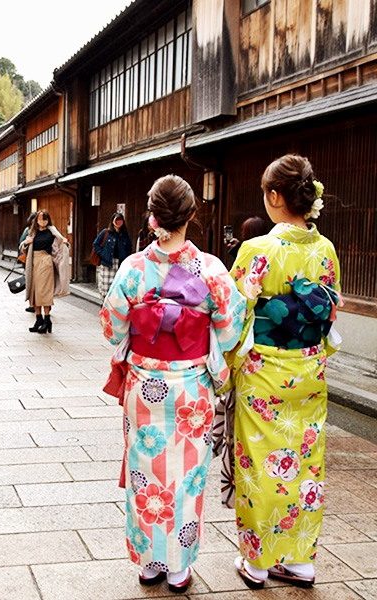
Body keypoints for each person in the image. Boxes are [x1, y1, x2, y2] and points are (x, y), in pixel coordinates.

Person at [99, 175, 245, 593]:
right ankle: (179, 567)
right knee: (187, 477)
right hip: (191, 390)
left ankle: (149, 563)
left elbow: (111, 328)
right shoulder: (211, 269)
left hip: (145, 386)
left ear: (151, 216)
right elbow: (232, 329)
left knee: (146, 473)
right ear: (192, 216)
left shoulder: (133, 268)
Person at [229, 155, 341, 590]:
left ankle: (257, 562)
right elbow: (327, 312)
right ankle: (300, 561)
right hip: (309, 369)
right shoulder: (325, 249)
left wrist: (226, 366)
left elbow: (235, 315)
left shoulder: (257, 250)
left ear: (275, 197)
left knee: (259, 463)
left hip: (264, 373)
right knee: (305, 463)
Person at [20, 210, 70, 333]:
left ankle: (47, 319)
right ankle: (38, 319)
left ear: (48, 220)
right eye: (40, 219)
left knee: (44, 292)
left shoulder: (52, 232)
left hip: (46, 262)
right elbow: (22, 246)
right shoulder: (32, 232)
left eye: (45, 219)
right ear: (36, 220)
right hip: (33, 263)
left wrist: (64, 243)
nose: (42, 221)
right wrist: (26, 243)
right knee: (34, 292)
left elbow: (59, 246)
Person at [93, 213, 133, 297]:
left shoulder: (124, 235)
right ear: (112, 221)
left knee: (118, 286)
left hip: (120, 263)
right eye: (116, 220)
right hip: (107, 262)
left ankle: (114, 305)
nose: (118, 222)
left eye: (120, 220)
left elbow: (129, 248)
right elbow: (96, 244)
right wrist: (103, 254)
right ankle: (104, 304)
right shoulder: (106, 232)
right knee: (105, 287)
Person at [20, 212, 38, 313]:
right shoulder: (28, 231)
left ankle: (40, 303)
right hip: (30, 258)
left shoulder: (45, 231)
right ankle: (32, 304)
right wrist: (26, 243)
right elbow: (21, 243)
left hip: (40, 259)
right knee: (31, 281)